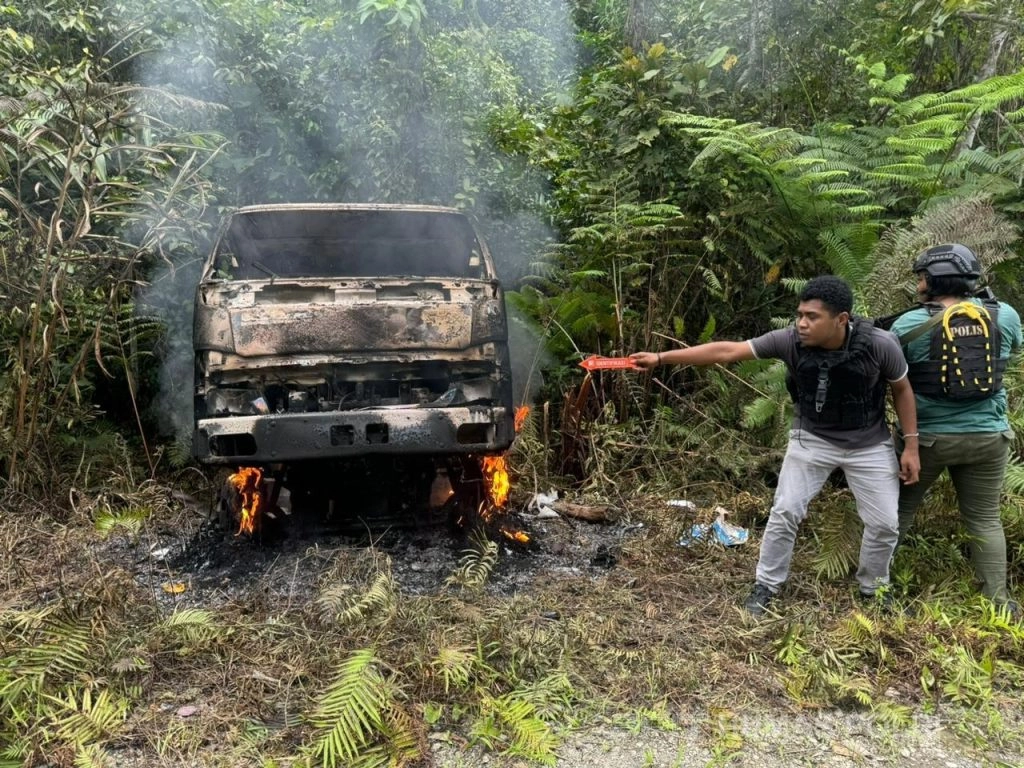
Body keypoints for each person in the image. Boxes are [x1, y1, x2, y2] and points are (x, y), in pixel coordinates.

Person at [631, 275, 920, 617]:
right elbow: (728, 351)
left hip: (869, 443)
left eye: (812, 317)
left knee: (885, 523)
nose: (801, 323)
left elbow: (902, 390)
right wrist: (662, 358)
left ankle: (875, 587)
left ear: (841, 319)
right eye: (799, 314)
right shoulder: (788, 341)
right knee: (785, 511)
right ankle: (766, 584)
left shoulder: (880, 345)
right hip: (811, 440)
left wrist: (911, 446)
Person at [890, 243, 1022, 617]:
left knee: (899, 512)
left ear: (934, 279)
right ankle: (999, 603)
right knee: (984, 518)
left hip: (927, 441)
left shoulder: (907, 324)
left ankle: (875, 586)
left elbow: (896, 378)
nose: (917, 282)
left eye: (921, 276)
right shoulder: (1005, 315)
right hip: (989, 439)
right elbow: (1006, 358)